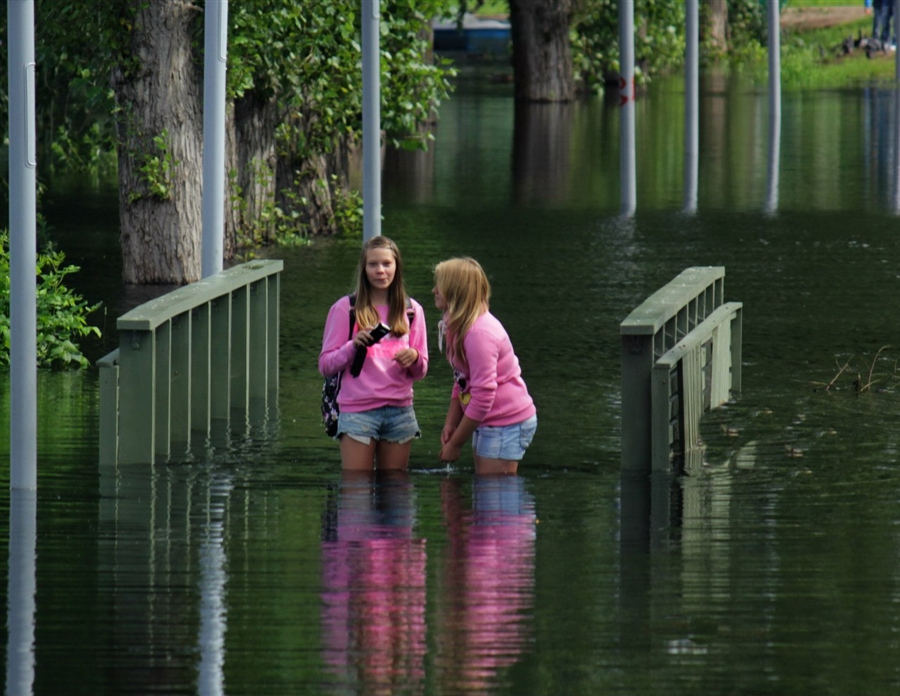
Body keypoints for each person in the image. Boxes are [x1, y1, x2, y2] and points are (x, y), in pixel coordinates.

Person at [319, 237, 428, 471]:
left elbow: (421, 370)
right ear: (364, 268)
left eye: (386, 264)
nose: (380, 270)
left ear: (396, 267)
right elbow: (325, 365)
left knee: (396, 495)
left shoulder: (411, 310)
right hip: (358, 412)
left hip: (400, 410)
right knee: (356, 495)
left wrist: (414, 358)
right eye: (373, 264)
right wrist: (352, 346)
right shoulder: (346, 309)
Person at [432, 257, 537, 475]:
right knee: (485, 497)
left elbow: (483, 396)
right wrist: (452, 423)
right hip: (486, 419)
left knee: (494, 498)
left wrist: (455, 444)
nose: (434, 290)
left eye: (439, 286)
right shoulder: (458, 326)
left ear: (455, 291)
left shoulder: (480, 334)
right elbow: (461, 379)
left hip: (506, 421)